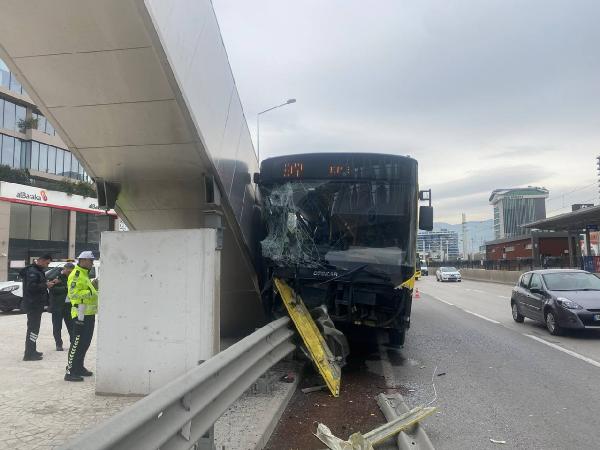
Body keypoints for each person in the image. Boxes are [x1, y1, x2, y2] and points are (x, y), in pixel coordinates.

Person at [65, 251, 98, 382]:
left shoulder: (84, 274)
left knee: (85, 343)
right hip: (80, 314)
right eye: (90, 261)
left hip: (88, 314)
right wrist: (91, 291)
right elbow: (73, 294)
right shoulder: (77, 274)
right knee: (77, 343)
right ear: (83, 260)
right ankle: (70, 371)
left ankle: (79, 367)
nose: (92, 263)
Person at [20, 254, 59, 361]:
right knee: (33, 329)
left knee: (34, 329)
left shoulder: (37, 270)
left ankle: (32, 350)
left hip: (36, 304)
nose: (47, 265)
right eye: (47, 263)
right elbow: (31, 287)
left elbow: (37, 284)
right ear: (41, 260)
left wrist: (47, 283)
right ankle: (29, 354)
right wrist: (46, 285)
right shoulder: (32, 271)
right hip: (33, 304)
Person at [49, 263, 75, 351]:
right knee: (57, 326)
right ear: (64, 269)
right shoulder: (56, 277)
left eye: (71, 272)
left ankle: (73, 343)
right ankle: (58, 344)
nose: (69, 273)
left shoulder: (73, 277)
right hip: (57, 305)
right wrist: (67, 288)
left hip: (69, 305)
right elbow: (52, 289)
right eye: (68, 271)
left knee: (71, 326)